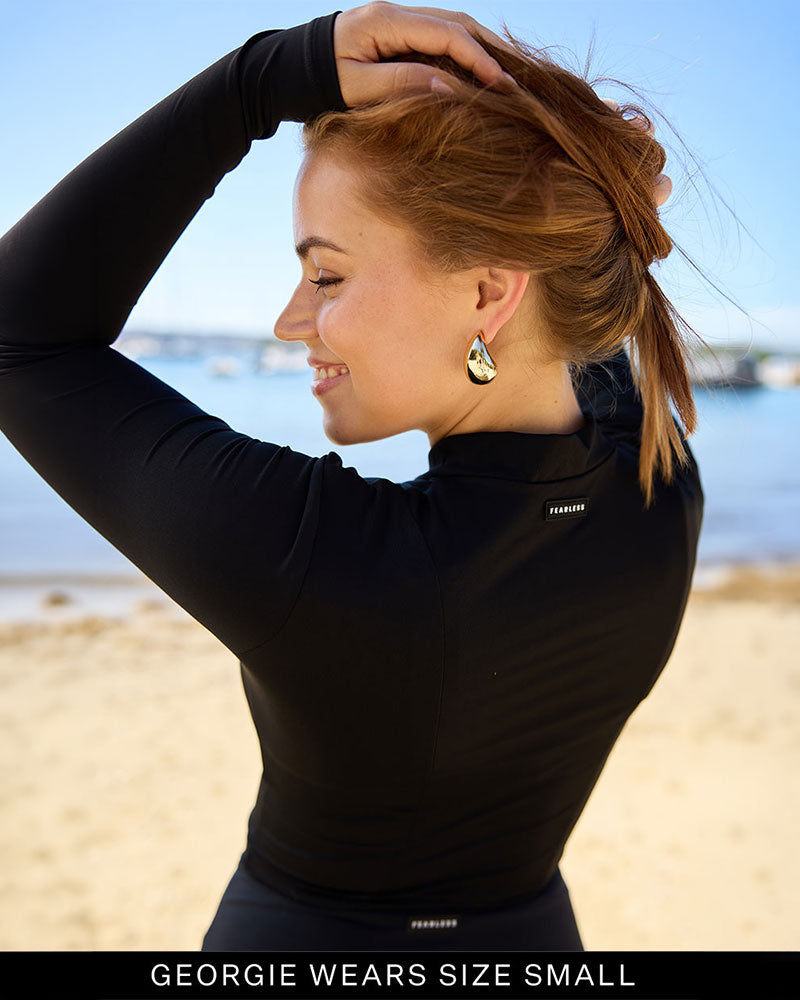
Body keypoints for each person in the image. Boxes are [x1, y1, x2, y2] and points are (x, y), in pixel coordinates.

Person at [0, 2, 704, 951]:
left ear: (491, 293)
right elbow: (579, 342)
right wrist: (589, 205)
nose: (290, 321)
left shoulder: (327, 563)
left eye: (325, 276)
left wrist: (258, 82)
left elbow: (18, 338)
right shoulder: (659, 483)